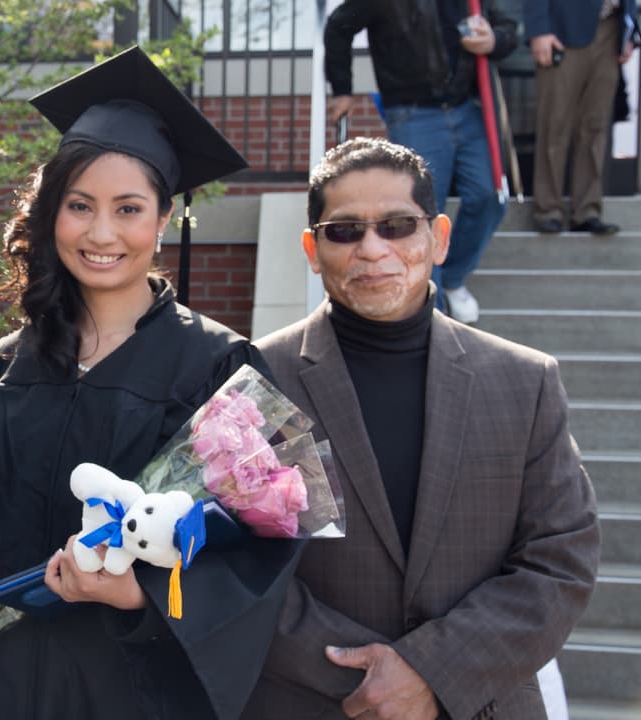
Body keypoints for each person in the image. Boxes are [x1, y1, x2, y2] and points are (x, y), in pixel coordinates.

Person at [0, 47, 302, 720]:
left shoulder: (218, 368)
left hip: (132, 691)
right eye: (79, 205)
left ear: (165, 216)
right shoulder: (7, 362)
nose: (100, 233)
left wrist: (139, 596)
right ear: (50, 213)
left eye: (127, 209)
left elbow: (272, 548)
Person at [245, 137, 600, 719]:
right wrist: (370, 681)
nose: (373, 249)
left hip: (481, 703)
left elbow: (560, 558)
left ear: (437, 238)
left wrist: (433, 673)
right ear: (313, 248)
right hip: (312, 703)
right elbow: (239, 568)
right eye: (345, 230)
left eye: (396, 226)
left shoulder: (524, 381)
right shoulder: (261, 379)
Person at [324, 0, 518, 324]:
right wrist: (342, 89)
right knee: (421, 214)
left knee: (490, 196)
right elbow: (338, 26)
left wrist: (494, 39)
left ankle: (453, 277)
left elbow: (508, 27)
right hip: (413, 113)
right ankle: (434, 315)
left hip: (468, 108)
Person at [527, 0, 638, 235]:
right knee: (555, 122)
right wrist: (538, 29)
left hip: (611, 29)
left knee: (595, 125)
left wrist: (630, 31)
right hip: (563, 30)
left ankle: (587, 211)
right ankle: (548, 209)